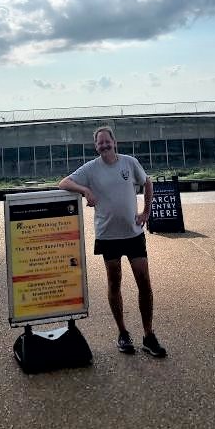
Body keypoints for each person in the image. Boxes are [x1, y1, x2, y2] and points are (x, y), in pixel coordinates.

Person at [59, 125, 167, 358]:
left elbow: (147, 182)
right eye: (100, 143)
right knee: (114, 284)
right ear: (95, 146)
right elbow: (64, 183)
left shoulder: (129, 162)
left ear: (114, 142)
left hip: (133, 234)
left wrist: (146, 212)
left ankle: (148, 335)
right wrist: (85, 189)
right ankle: (123, 333)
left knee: (144, 282)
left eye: (107, 141)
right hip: (108, 236)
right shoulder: (90, 168)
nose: (104, 145)